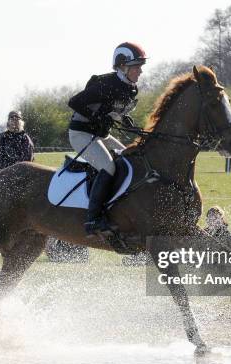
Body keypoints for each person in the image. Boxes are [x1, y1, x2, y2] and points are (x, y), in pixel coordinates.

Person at [68, 42, 145, 236]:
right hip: (81, 133)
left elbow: (113, 111)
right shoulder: (106, 84)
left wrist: (123, 119)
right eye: (136, 66)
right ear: (122, 66)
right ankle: (93, 219)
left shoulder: (132, 89)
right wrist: (97, 118)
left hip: (101, 135)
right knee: (108, 167)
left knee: (130, 159)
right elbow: (74, 102)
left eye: (140, 66)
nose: (140, 71)